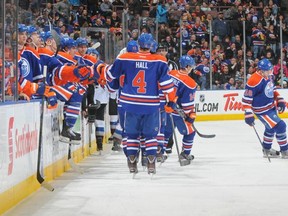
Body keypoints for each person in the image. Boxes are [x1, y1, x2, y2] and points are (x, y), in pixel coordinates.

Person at [104, 33, 175, 175]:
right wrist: (171, 101)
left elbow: (110, 76)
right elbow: (167, 85)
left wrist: (102, 68)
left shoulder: (125, 58)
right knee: (150, 135)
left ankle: (131, 160)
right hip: (150, 105)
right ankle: (150, 161)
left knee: (131, 134)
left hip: (129, 103)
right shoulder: (160, 61)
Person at [242, 58, 288, 158]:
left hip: (271, 107)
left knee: (270, 128)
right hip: (262, 110)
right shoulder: (253, 80)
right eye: (268, 70)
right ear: (261, 71)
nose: (271, 72)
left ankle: (266, 150)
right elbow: (246, 99)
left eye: (271, 69)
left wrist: (279, 99)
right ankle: (285, 150)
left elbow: (272, 89)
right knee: (281, 126)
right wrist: (248, 113)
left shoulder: (269, 75)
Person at [164, 55, 197, 165]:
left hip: (166, 108)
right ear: (187, 66)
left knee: (166, 132)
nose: (191, 68)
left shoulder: (171, 73)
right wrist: (190, 115)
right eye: (191, 66)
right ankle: (185, 154)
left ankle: (159, 152)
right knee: (190, 133)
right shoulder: (190, 83)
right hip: (178, 112)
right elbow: (187, 105)